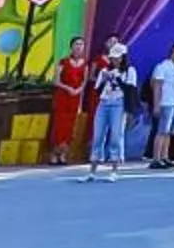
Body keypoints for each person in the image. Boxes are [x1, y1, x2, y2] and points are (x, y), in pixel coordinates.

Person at [86, 40, 137, 180]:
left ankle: (114, 170)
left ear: (123, 57)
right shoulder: (104, 70)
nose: (115, 60)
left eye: (117, 57)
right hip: (104, 103)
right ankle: (92, 171)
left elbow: (130, 90)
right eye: (113, 57)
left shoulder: (130, 71)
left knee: (115, 136)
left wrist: (117, 78)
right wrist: (104, 79)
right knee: (98, 136)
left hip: (119, 104)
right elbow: (97, 90)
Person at [46, 36, 90, 167]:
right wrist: (68, 88)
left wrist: (78, 90)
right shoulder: (63, 62)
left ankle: (63, 154)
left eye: (81, 44)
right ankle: (54, 154)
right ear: (71, 46)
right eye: (76, 44)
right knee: (59, 125)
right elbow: (56, 81)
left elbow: (84, 82)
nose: (79, 47)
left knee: (70, 126)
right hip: (63, 97)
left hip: (75, 98)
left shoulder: (85, 64)